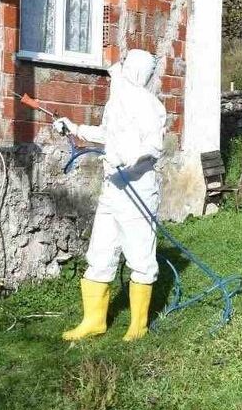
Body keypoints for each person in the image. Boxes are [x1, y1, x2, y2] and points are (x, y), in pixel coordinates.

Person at [53, 49, 167, 342]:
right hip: (112, 188)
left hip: (137, 189)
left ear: (137, 71)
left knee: (140, 257)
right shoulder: (116, 103)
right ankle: (94, 321)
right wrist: (75, 128)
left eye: (126, 66)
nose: (121, 71)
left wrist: (130, 159)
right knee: (100, 253)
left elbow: (154, 146)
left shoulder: (150, 106)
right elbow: (107, 134)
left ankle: (138, 325)